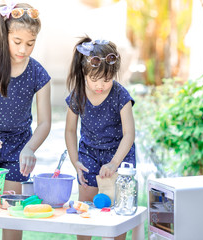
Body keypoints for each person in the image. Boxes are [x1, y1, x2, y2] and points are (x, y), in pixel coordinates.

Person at [0, 2, 51, 240]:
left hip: (18, 148)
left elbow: (45, 123)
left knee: (12, 212)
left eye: (30, 43)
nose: (24, 49)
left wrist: (30, 148)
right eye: (17, 42)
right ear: (5, 36)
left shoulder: (39, 74)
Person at [65, 36, 135, 240]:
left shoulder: (121, 95)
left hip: (119, 155)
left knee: (117, 212)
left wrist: (114, 163)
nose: (100, 85)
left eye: (107, 79)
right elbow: (70, 130)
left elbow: (129, 134)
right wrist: (75, 160)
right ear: (84, 72)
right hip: (89, 153)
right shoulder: (78, 94)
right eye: (94, 79)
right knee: (85, 210)